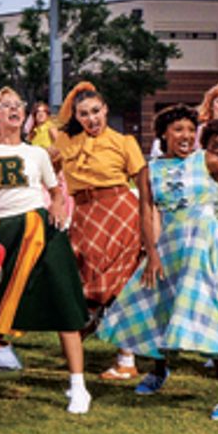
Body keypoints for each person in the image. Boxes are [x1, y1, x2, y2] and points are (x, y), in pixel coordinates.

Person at [97, 105, 218, 419]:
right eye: (177, 130)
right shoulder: (150, 171)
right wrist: (152, 253)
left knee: (213, 311)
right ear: (163, 135)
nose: (185, 137)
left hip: (205, 246)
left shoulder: (208, 161)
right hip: (170, 245)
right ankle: (159, 371)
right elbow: (146, 213)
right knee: (159, 306)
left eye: (189, 130)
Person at [0, 86, 90, 414]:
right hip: (5, 229)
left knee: (63, 302)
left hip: (41, 229)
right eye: (6, 106)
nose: (14, 110)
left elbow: (55, 191)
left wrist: (59, 207)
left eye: (18, 105)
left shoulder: (37, 153)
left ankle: (78, 385)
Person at [49, 81, 146, 380]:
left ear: (106, 110)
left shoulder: (124, 142)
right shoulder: (65, 142)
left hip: (120, 212)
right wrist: (55, 200)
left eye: (95, 111)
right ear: (75, 116)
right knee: (83, 282)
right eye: (83, 113)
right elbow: (46, 169)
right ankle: (83, 331)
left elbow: (144, 187)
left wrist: (148, 228)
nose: (91, 119)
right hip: (85, 216)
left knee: (121, 286)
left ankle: (126, 359)